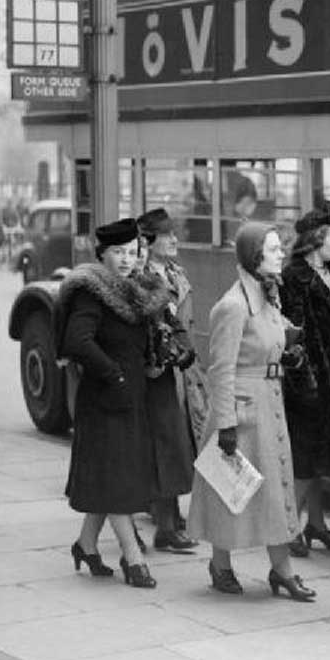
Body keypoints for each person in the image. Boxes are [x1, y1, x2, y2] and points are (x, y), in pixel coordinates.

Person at [186, 223, 316, 602]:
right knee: (231, 492)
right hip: (243, 413)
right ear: (255, 256)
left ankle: (280, 570)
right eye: (274, 249)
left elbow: (273, 336)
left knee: (271, 495)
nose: (281, 255)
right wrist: (226, 424)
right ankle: (224, 564)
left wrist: (288, 352)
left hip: (268, 402)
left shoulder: (267, 295)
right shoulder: (233, 305)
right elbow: (220, 368)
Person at [58, 218, 168, 589]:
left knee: (114, 475)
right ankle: (132, 559)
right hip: (105, 398)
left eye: (132, 252)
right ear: (101, 254)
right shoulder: (91, 292)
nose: (126, 260)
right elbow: (77, 340)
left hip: (130, 395)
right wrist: (113, 374)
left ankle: (86, 545)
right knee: (119, 479)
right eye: (117, 252)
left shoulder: (132, 290)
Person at [280, 210, 330, 558]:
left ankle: (316, 523)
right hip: (309, 378)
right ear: (315, 241)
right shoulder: (293, 278)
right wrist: (304, 380)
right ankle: (289, 528)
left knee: (321, 456)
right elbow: (293, 334)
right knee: (306, 456)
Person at [136, 208, 202, 553]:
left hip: (184, 373)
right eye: (167, 235)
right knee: (165, 445)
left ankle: (173, 518)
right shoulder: (142, 277)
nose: (175, 240)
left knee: (181, 444)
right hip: (159, 374)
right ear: (148, 242)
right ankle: (165, 526)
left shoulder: (177, 273)